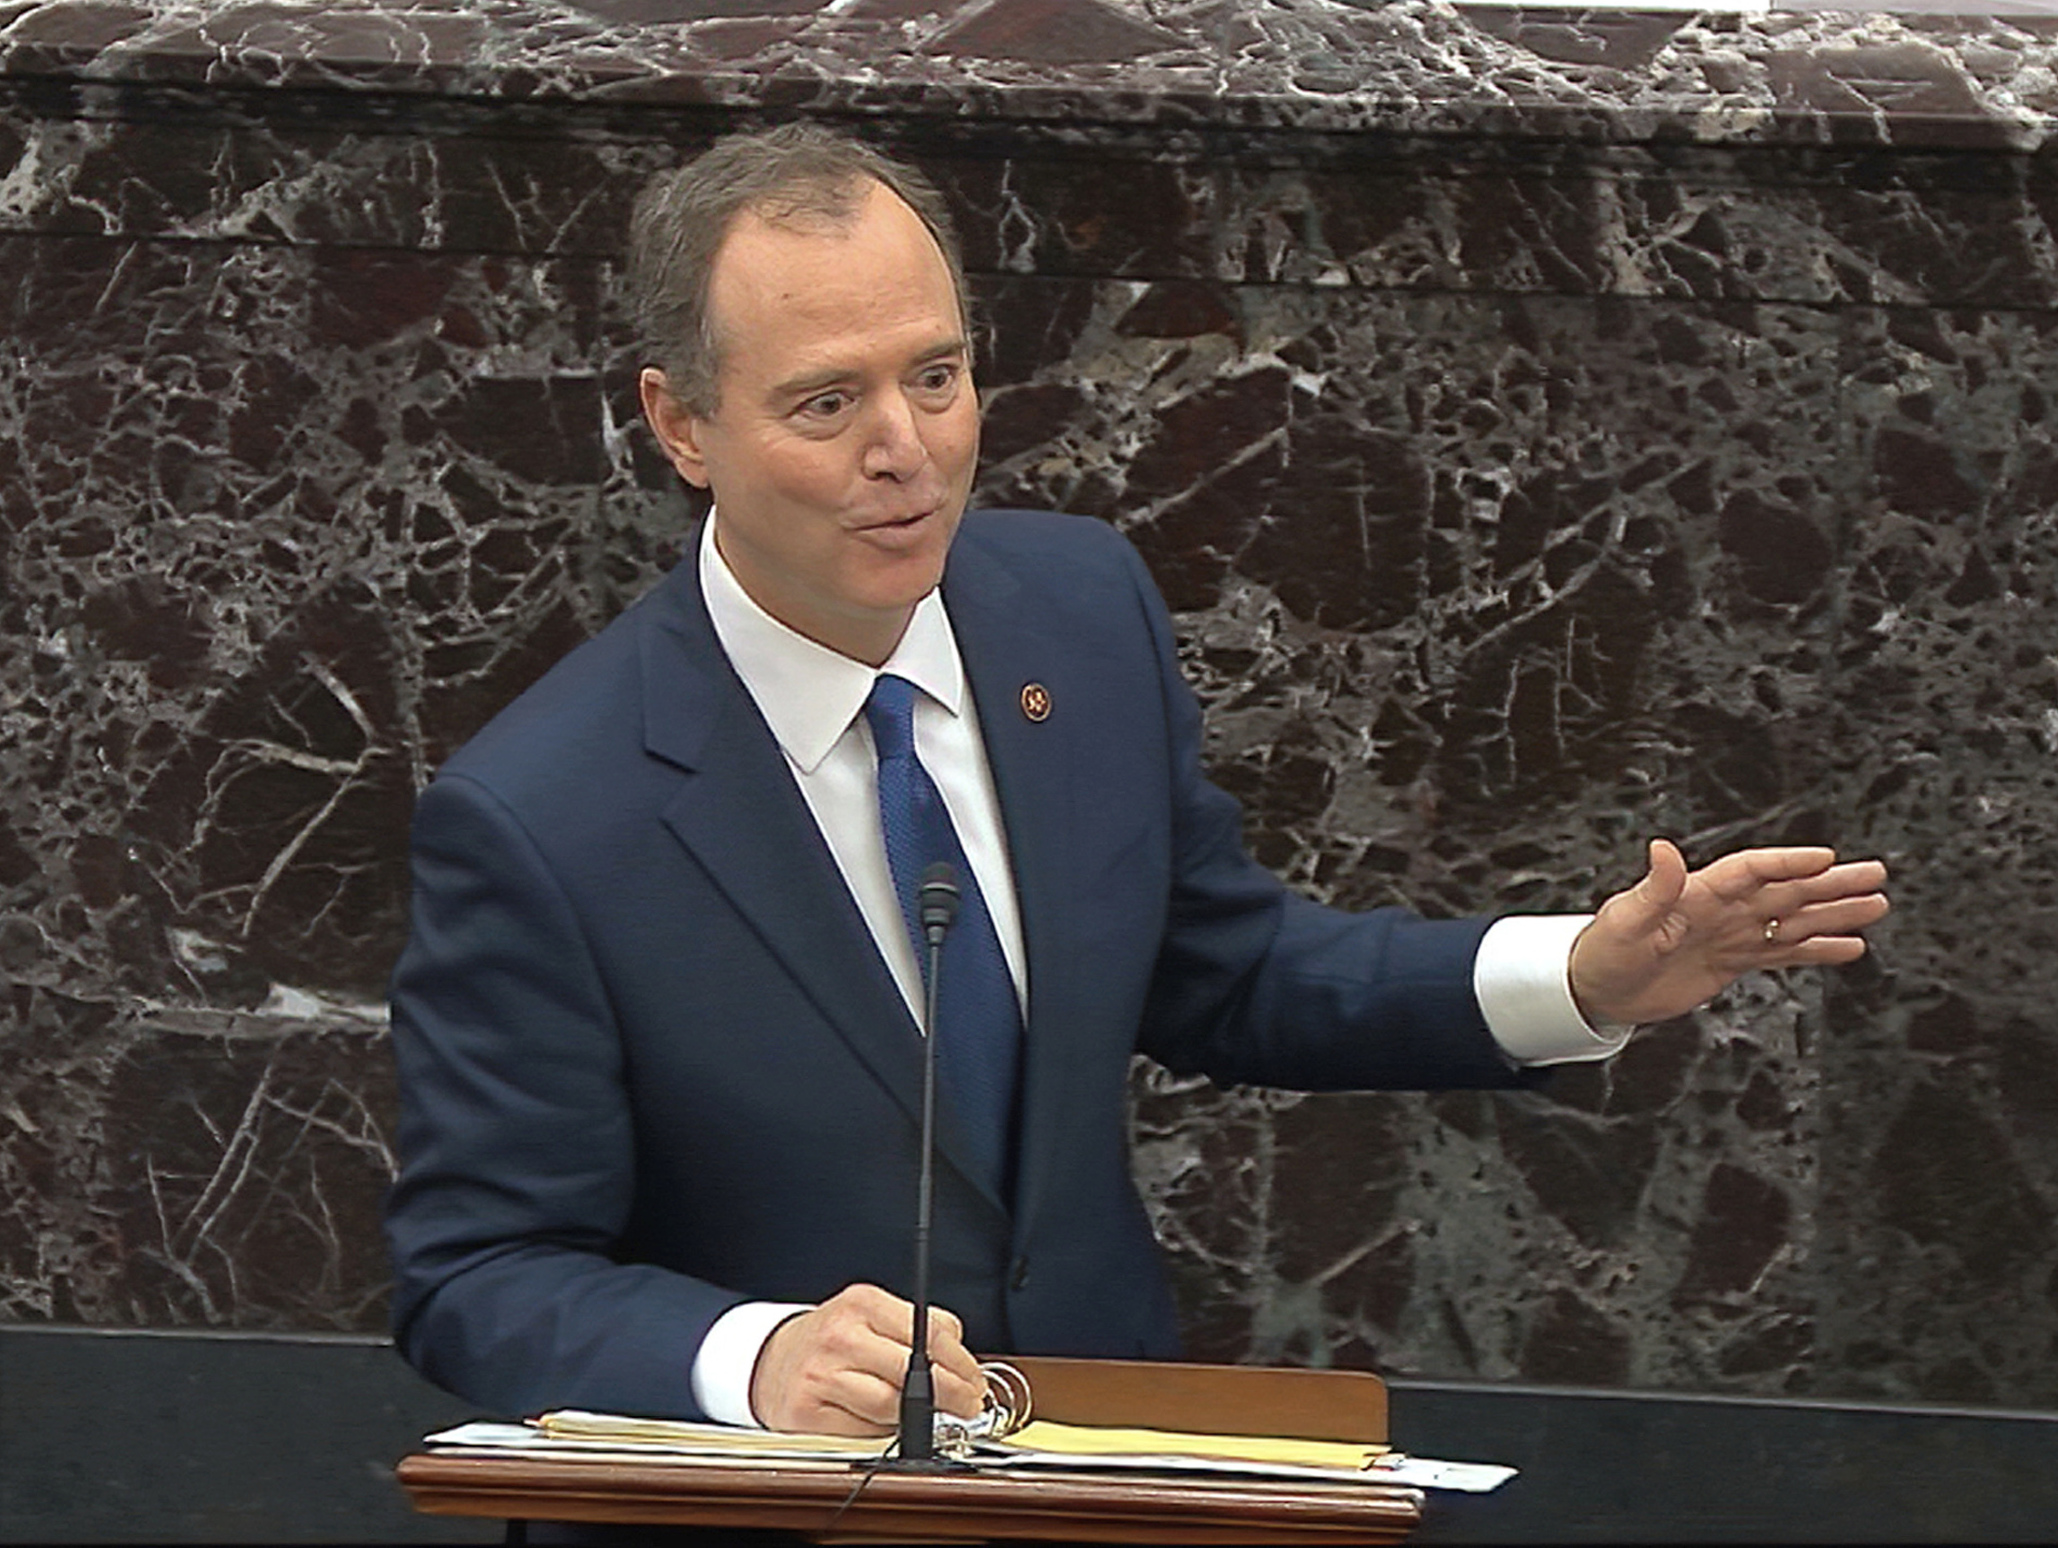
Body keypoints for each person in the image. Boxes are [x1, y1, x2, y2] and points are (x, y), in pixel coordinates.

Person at [383, 123, 1889, 1440]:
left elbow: (1216, 969)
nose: (907, 451)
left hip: (1107, 1458)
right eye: (826, 404)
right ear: (682, 424)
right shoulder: (544, 818)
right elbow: (478, 1275)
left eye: (938, 375)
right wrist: (752, 1356)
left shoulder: (1076, 612)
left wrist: (1583, 974)